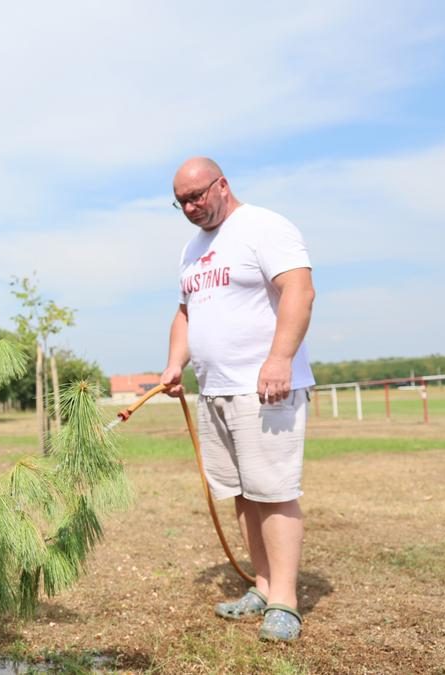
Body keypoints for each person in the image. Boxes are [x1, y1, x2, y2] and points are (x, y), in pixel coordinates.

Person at [160, 157, 316, 642]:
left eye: (197, 196)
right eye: (181, 201)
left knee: (274, 492)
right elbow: (186, 312)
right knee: (245, 496)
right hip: (216, 390)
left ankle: (285, 603)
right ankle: (263, 586)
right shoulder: (192, 247)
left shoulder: (264, 227)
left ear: (222, 185)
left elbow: (300, 291)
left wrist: (279, 359)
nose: (189, 207)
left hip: (264, 387)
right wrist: (174, 363)